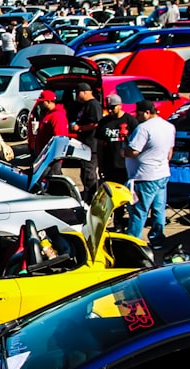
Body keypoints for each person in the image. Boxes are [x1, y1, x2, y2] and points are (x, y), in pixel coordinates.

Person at [124, 100, 176, 249]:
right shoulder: (169, 126)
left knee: (139, 211)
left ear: (147, 112)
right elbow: (169, 152)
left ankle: (133, 243)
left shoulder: (143, 129)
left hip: (144, 176)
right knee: (159, 209)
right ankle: (157, 240)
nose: (137, 117)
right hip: (162, 173)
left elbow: (133, 151)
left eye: (139, 114)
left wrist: (124, 151)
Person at [95, 93, 138, 228]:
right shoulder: (104, 122)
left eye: (114, 107)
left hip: (126, 166)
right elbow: (100, 146)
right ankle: (117, 220)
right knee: (112, 196)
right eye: (109, 107)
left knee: (128, 195)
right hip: (110, 165)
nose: (111, 110)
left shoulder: (130, 121)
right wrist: (100, 166)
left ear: (120, 106)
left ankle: (128, 221)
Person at [70, 83, 102, 202]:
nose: (77, 96)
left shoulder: (94, 105)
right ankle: (87, 193)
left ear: (85, 92)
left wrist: (80, 128)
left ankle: (92, 197)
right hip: (84, 145)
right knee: (83, 172)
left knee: (89, 173)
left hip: (91, 145)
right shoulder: (84, 105)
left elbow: (96, 123)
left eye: (78, 93)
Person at [33, 90, 69, 174]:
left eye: (42, 102)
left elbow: (59, 138)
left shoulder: (57, 116)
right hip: (44, 157)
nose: (40, 104)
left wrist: (54, 157)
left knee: (53, 180)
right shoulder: (48, 114)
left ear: (49, 101)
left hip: (51, 158)